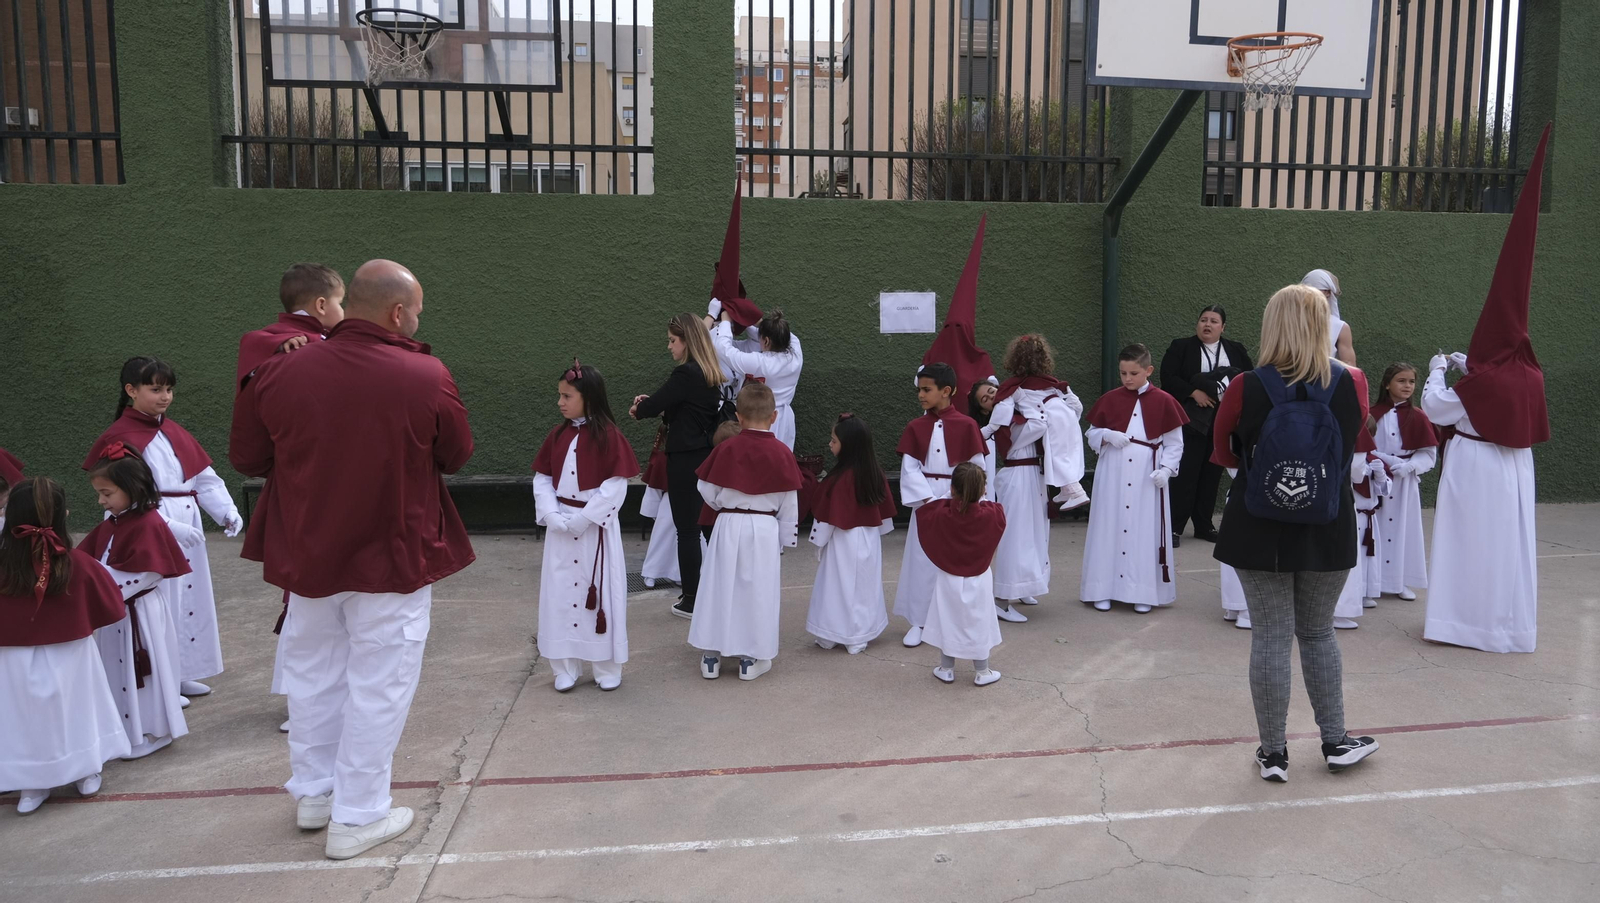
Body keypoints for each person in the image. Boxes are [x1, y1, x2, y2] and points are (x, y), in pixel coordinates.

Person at [230, 258, 475, 860]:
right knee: (381, 680)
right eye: (416, 310)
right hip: (394, 549)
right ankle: (359, 811)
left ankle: (315, 793)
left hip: (309, 547)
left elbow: (248, 456)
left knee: (313, 674)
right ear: (398, 313)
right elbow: (456, 453)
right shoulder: (424, 374)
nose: (418, 319)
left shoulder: (278, 370)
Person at [1211, 283, 1378, 782]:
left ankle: (1274, 752)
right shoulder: (1353, 381)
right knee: (1319, 632)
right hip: (1327, 521)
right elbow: (1352, 444)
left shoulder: (1247, 383)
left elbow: (1223, 452)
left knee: (1270, 637)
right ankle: (1335, 740)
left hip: (1259, 524)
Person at [1421, 125, 1551, 655]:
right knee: (1507, 549)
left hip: (1476, 467)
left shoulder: (1482, 380)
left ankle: (1463, 624)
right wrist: (1469, 367)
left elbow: (1438, 408)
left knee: (1470, 545)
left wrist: (1437, 370)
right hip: (1516, 469)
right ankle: (1505, 625)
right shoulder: (1529, 374)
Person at [83, 357, 242, 702]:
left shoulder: (173, 431)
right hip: (150, 525)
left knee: (189, 598)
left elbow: (202, 478)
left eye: (168, 389)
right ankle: (162, 683)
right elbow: (128, 496)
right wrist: (167, 524)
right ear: (131, 390)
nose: (165, 396)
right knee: (161, 603)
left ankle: (182, 672)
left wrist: (226, 511)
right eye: (156, 389)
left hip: (187, 521)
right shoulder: (119, 439)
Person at [240, 264, 346, 734]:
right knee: (332, 608)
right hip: (336, 493)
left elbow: (247, 452)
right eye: (340, 302)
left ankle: (302, 703)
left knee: (305, 602)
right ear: (321, 305)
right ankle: (316, 705)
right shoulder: (329, 353)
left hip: (291, 489)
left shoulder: (259, 348)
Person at [0, 477, 131, 814]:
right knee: (77, 707)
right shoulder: (78, 564)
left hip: (13, 657)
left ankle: (40, 780)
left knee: (23, 715)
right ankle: (76, 771)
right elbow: (111, 604)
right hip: (68, 653)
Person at [531, 361, 638, 692]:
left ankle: (606, 666)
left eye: (567, 396)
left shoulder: (609, 436)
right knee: (560, 595)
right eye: (559, 396)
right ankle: (565, 667)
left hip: (595, 531)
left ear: (588, 397)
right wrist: (552, 515)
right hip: (561, 528)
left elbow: (616, 486)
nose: (560, 402)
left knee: (602, 595)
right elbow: (543, 478)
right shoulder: (557, 435)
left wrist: (583, 518)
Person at [83, 446, 194, 761]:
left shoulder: (147, 523)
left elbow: (148, 571)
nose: (101, 501)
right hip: (114, 612)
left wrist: (102, 589)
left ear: (131, 489)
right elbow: (90, 561)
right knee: (116, 670)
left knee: (145, 672)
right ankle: (123, 728)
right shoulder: (113, 523)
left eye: (106, 493)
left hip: (139, 613)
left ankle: (154, 730)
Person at [687, 383, 801, 682]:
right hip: (764, 528)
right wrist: (786, 537)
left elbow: (705, 487)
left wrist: (724, 506)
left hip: (728, 524)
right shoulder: (782, 452)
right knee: (758, 592)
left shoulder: (726, 448)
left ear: (738, 417)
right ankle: (751, 659)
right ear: (774, 416)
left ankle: (711, 656)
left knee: (718, 586)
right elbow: (790, 501)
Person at [985, 334, 1086, 620]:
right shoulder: (1014, 395)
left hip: (1036, 474)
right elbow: (1003, 430)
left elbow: (1071, 415)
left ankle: (1025, 585)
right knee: (1017, 536)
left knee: (1036, 536)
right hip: (1018, 473)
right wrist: (1040, 418)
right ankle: (1001, 600)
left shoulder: (1045, 392)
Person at [1080, 344, 1187, 614]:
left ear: (1148, 371)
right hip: (1112, 474)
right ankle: (1102, 589)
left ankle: (1144, 591)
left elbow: (1175, 444)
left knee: (1144, 530)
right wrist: (1106, 434)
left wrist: (1166, 469)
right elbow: (1091, 433)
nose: (1127, 378)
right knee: (1108, 527)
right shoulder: (1110, 398)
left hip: (1146, 477)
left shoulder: (1164, 400)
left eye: (1134, 373)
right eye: (1123, 373)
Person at [631, 314, 724, 620]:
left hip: (685, 459)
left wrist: (640, 407)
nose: (669, 346)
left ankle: (692, 599)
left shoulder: (685, 374)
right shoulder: (709, 373)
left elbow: (649, 407)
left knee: (687, 530)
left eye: (673, 340)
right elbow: (680, 408)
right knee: (708, 527)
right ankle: (720, 590)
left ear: (687, 341)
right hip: (705, 456)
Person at [892, 362, 989, 647]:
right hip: (926, 504)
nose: (920, 395)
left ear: (946, 391)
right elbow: (909, 469)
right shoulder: (915, 427)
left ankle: (950, 623)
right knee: (921, 562)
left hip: (957, 500)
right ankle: (919, 621)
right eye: (919, 389)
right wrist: (929, 502)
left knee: (952, 565)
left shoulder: (968, 425)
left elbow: (976, 468)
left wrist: (962, 500)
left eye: (926, 389)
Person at [805, 413, 897, 655]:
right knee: (863, 587)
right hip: (867, 539)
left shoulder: (839, 479)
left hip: (841, 541)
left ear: (849, 446)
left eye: (834, 440)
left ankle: (836, 634)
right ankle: (856, 634)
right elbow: (884, 512)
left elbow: (827, 516)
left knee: (835, 586)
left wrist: (819, 543)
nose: (830, 444)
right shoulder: (873, 473)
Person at [1160, 305, 1252, 544]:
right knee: (1185, 474)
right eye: (1203, 320)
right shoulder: (1181, 347)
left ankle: (1204, 525)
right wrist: (1193, 392)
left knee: (1212, 475)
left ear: (1223, 327)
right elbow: (1168, 377)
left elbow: (1249, 379)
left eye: (1213, 321)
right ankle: (1174, 527)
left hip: (1223, 421)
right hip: (1192, 421)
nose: (1207, 325)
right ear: (1197, 324)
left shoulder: (1236, 350)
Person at [916, 462, 1006, 687]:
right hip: (980, 577)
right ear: (983, 489)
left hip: (948, 577)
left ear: (953, 488)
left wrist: (953, 493)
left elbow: (929, 510)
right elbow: (991, 508)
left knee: (949, 620)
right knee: (979, 620)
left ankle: (947, 668)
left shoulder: (942, 515)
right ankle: (982, 671)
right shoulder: (993, 514)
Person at [1370, 363, 1438, 600]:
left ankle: (1400, 581)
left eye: (1411, 381)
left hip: (1404, 482)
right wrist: (1377, 462)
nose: (1407, 386)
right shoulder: (1372, 414)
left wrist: (1410, 466)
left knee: (1404, 529)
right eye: (1401, 381)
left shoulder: (1418, 416)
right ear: (1387, 384)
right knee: (1373, 530)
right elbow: (1363, 447)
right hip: (1375, 481)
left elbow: (1428, 453)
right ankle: (1371, 583)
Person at [236, 263, 346, 391]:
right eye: (340, 303)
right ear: (321, 305)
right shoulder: (284, 336)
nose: (343, 310)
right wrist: (278, 344)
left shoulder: (330, 336)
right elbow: (252, 341)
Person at [708, 308, 804, 450]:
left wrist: (726, 322)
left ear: (766, 341)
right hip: (785, 419)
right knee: (781, 458)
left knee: (760, 459)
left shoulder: (762, 363)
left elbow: (725, 351)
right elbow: (785, 334)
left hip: (761, 418)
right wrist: (757, 324)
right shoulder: (796, 353)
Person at [638, 426, 683, 589]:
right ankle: (651, 572)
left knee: (687, 540)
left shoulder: (693, 455)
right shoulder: (662, 458)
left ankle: (679, 573)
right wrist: (654, 512)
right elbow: (654, 487)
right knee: (661, 538)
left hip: (688, 500)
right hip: (668, 504)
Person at [1302, 269, 1356, 366]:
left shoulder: (1340, 327)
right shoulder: (1290, 321)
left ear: (1327, 292)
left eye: (1317, 291)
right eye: (1307, 292)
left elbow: (1349, 365)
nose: (1310, 296)